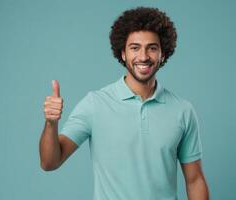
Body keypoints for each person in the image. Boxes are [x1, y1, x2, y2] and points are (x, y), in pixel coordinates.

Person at [39, 7, 209, 200]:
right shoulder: (95, 104)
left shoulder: (182, 110)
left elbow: (195, 180)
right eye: (135, 48)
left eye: (152, 48)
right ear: (123, 54)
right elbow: (49, 162)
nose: (143, 56)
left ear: (163, 54)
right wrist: (51, 124)